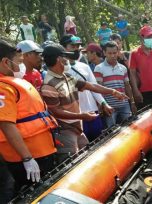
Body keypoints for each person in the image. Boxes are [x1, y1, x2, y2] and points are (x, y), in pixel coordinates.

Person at [40, 44, 128, 162]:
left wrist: (112, 92)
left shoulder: (67, 77)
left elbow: (90, 85)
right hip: (65, 132)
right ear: (58, 59)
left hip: (77, 129)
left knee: (87, 157)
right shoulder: (48, 85)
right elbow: (55, 112)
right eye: (65, 58)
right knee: (72, 165)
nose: (67, 61)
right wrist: (82, 116)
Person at [0, 40, 57, 191]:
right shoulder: (3, 88)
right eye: (19, 61)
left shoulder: (12, 83)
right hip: (28, 158)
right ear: (6, 62)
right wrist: (27, 158)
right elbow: (6, 124)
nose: (22, 65)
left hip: (39, 154)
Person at [59, 35, 113, 141]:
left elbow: (94, 87)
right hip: (75, 115)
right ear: (63, 48)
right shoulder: (59, 69)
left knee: (99, 141)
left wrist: (104, 104)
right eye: (72, 46)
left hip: (92, 111)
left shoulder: (84, 67)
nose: (76, 49)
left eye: (78, 46)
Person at [94, 41, 136, 127]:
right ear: (104, 53)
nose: (112, 55)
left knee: (130, 128)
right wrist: (102, 105)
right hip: (109, 107)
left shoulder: (123, 68)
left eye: (114, 53)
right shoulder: (99, 68)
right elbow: (98, 89)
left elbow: (127, 86)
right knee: (112, 131)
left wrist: (132, 102)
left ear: (118, 52)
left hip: (124, 105)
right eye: (109, 53)